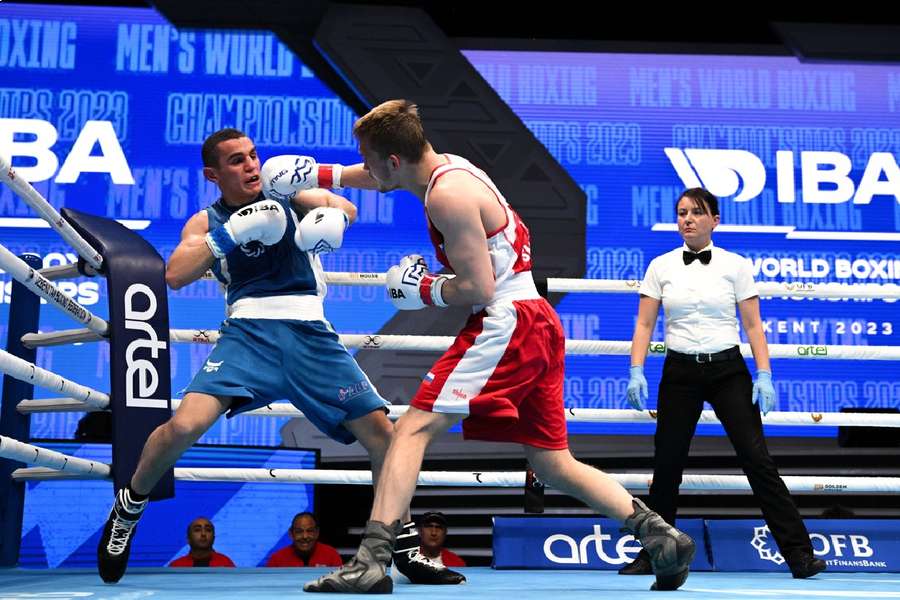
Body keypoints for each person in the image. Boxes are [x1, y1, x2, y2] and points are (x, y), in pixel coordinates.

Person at [285, 99, 695, 594]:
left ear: (395, 159)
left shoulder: (447, 198)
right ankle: (660, 535)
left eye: (368, 157)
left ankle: (371, 562)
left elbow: (477, 289)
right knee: (551, 462)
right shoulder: (446, 166)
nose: (364, 168)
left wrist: (425, 289)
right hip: (536, 319)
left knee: (410, 430)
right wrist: (321, 174)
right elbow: (377, 174)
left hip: (506, 320)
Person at [96, 128, 395, 584]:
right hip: (247, 333)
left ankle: (396, 540)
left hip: (310, 332)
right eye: (237, 161)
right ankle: (128, 508)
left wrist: (334, 217)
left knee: (384, 435)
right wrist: (231, 234)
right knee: (184, 426)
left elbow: (346, 207)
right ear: (213, 174)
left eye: (254, 156)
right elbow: (175, 275)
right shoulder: (205, 221)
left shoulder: (288, 194)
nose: (252, 165)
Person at [618, 187, 826, 580]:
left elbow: (752, 326)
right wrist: (636, 369)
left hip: (729, 370)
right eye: (682, 213)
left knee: (757, 459)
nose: (688, 219)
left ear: (715, 219)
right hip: (680, 373)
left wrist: (764, 374)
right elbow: (645, 324)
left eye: (696, 213)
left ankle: (799, 555)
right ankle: (653, 554)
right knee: (667, 464)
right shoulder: (660, 265)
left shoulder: (736, 265)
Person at [266, 512, 343, 567]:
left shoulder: (331, 555)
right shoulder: (277, 559)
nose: (305, 536)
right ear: (291, 534)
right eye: (299, 531)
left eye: (310, 531)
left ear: (317, 533)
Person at [169, 517, 236, 567]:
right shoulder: (176, 566)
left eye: (208, 530)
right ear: (188, 539)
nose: (203, 534)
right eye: (197, 530)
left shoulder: (226, 564)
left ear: (213, 538)